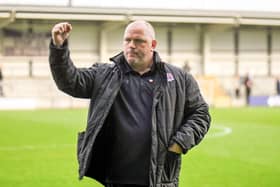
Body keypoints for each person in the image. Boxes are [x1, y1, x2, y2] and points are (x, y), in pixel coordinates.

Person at [49, 20, 211, 187]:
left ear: (152, 45)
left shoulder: (179, 79)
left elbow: (201, 113)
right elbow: (70, 81)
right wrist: (58, 48)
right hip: (116, 179)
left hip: (159, 179)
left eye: (139, 41)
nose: (131, 45)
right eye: (127, 40)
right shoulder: (104, 75)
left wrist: (180, 143)